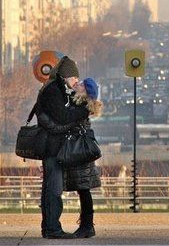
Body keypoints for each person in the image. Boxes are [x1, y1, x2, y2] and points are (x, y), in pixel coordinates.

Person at [31, 56, 89, 239]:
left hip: (54, 146)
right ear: (66, 76)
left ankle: (49, 227)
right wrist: (84, 111)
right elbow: (62, 116)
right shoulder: (53, 91)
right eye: (74, 79)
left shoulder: (55, 89)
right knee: (53, 190)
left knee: (51, 188)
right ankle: (52, 229)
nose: (76, 82)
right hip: (52, 147)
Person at [63, 77, 103, 238]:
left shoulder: (81, 107)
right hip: (80, 153)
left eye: (81, 85)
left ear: (86, 91)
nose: (77, 85)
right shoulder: (82, 104)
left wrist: (67, 86)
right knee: (83, 190)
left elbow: (65, 116)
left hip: (79, 153)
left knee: (83, 189)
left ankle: (87, 225)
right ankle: (86, 225)